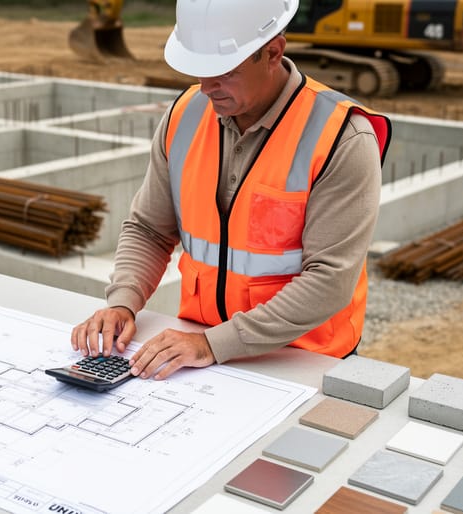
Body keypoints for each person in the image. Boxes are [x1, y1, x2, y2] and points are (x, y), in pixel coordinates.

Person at [71, 0, 391, 380]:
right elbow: (149, 229)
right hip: (198, 351)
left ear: (273, 53)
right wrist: (123, 302)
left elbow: (329, 281)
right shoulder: (186, 114)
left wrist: (214, 344)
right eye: (198, 70)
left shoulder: (342, 138)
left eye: (222, 71)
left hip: (303, 361)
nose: (206, 88)